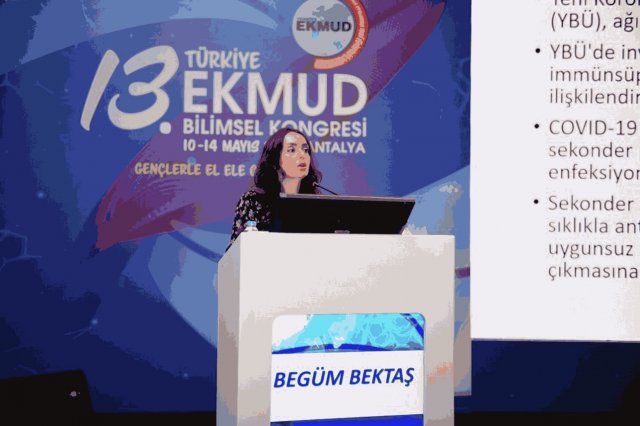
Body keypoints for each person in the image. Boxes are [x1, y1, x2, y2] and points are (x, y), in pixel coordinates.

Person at [228, 128, 322, 248]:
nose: (302, 155)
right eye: (292, 150)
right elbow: (235, 250)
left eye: (305, 150)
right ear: (275, 159)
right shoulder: (253, 201)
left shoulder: (316, 204)